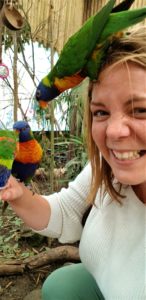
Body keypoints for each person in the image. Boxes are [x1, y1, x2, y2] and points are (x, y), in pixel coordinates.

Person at [1, 26, 146, 299]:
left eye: (140, 109)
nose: (114, 131)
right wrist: (17, 193)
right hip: (100, 282)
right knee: (61, 283)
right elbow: (66, 210)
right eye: (101, 112)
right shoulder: (106, 166)